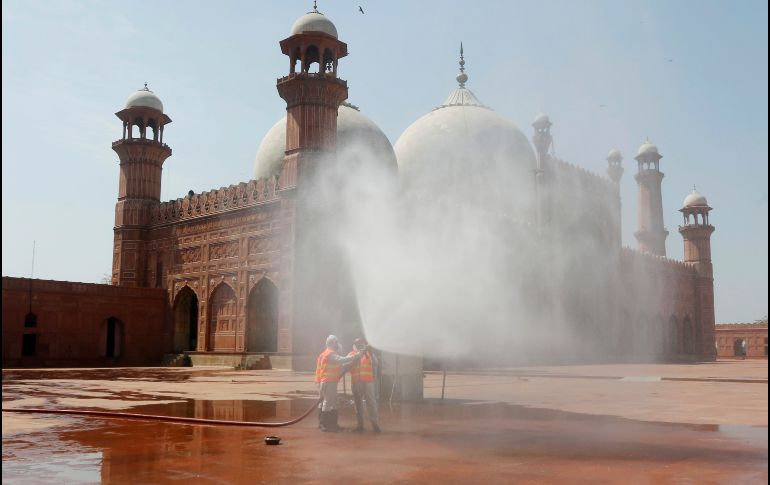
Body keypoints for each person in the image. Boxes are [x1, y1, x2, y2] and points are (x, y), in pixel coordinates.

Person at [314, 334, 364, 432]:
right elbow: (341, 359)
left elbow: (339, 364)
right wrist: (356, 356)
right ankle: (325, 424)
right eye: (336, 342)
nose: (337, 344)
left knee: (330, 402)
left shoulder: (325, 353)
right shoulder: (330, 353)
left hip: (326, 381)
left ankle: (330, 424)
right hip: (328, 381)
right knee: (328, 402)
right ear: (332, 343)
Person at [348, 337, 381, 433]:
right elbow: (347, 365)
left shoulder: (369, 354)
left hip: (368, 382)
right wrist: (357, 356)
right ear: (355, 345)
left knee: (371, 404)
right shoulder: (352, 354)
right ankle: (360, 425)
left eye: (361, 343)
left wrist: (370, 353)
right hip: (356, 382)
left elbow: (375, 364)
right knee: (358, 405)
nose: (360, 345)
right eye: (358, 344)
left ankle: (375, 425)